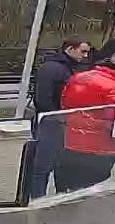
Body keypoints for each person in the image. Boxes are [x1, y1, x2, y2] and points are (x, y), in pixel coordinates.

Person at [55, 45, 115, 192]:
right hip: (100, 150)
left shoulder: (77, 77)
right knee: (91, 195)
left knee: (66, 194)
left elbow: (64, 105)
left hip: (70, 144)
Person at [29, 37, 90, 197]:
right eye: (83, 51)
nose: (85, 56)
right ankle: (37, 197)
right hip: (50, 123)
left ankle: (59, 194)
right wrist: (57, 116)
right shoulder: (52, 68)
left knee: (59, 162)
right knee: (42, 165)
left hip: (63, 121)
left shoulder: (71, 67)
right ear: (70, 49)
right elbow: (42, 99)